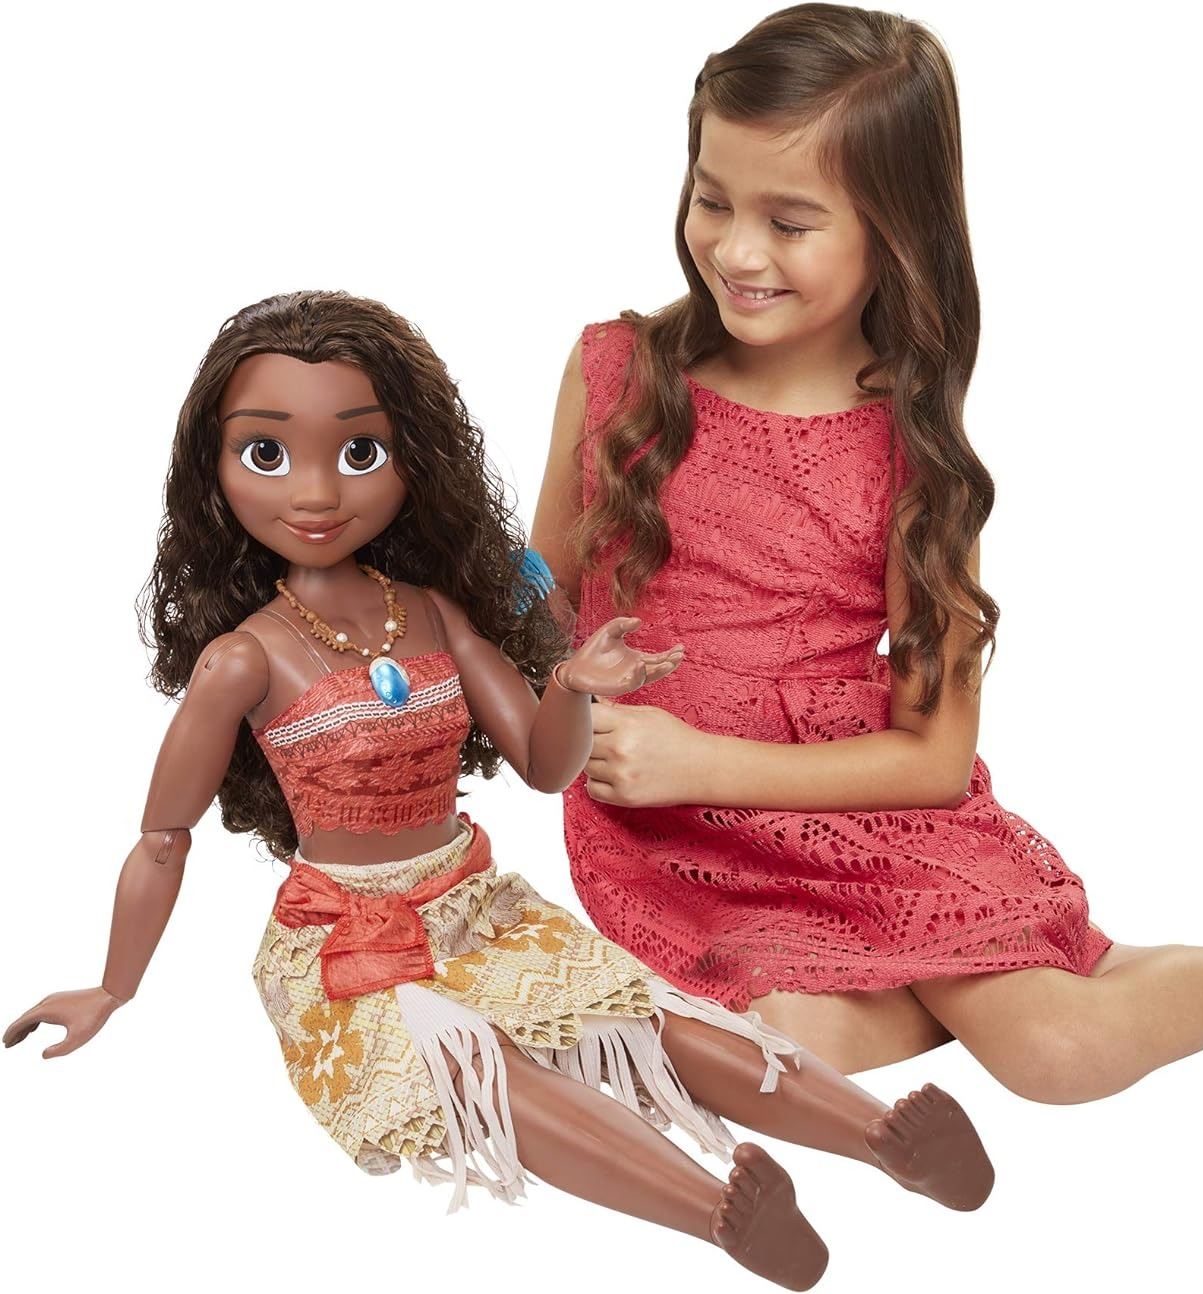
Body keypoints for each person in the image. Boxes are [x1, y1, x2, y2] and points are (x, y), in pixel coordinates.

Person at [530, 3, 1203, 1093]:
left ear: (891, 232)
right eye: (713, 200)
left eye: (790, 222)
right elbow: (537, 600)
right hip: (669, 837)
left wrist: (703, 760)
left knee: (1054, 1054)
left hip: (855, 813)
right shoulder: (618, 372)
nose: (737, 250)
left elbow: (932, 757)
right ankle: (1011, 974)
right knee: (792, 1048)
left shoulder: (912, 452)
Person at [2, 290, 993, 1293]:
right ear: (214, 473)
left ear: (413, 460)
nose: (316, 491)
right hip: (351, 943)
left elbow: (543, 764)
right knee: (484, 1068)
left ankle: (886, 1137)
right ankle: (720, 1212)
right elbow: (163, 837)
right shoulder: (241, 661)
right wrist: (113, 987)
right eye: (267, 453)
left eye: (359, 452)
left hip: (475, 904)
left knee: (630, 1010)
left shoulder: (434, 615)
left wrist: (571, 684)